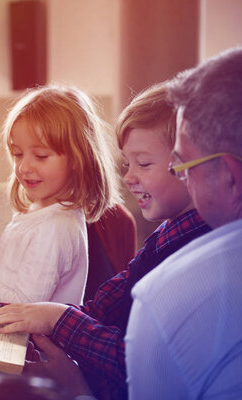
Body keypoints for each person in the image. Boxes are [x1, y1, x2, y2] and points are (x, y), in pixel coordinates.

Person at [0, 80, 211, 400]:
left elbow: (143, 364)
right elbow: (104, 305)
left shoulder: (199, 259)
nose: (127, 177)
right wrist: (54, 321)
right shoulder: (167, 235)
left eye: (143, 163)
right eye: (128, 164)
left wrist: (59, 321)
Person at [125, 47, 242, 399]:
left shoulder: (167, 300)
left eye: (184, 165)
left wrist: (77, 389)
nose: (182, 180)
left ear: (232, 178)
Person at [0, 85, 121, 305]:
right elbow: (10, 282)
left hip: (23, 339)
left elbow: (25, 307)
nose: (24, 167)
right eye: (17, 154)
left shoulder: (55, 228)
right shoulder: (42, 211)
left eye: (41, 156)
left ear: (77, 159)